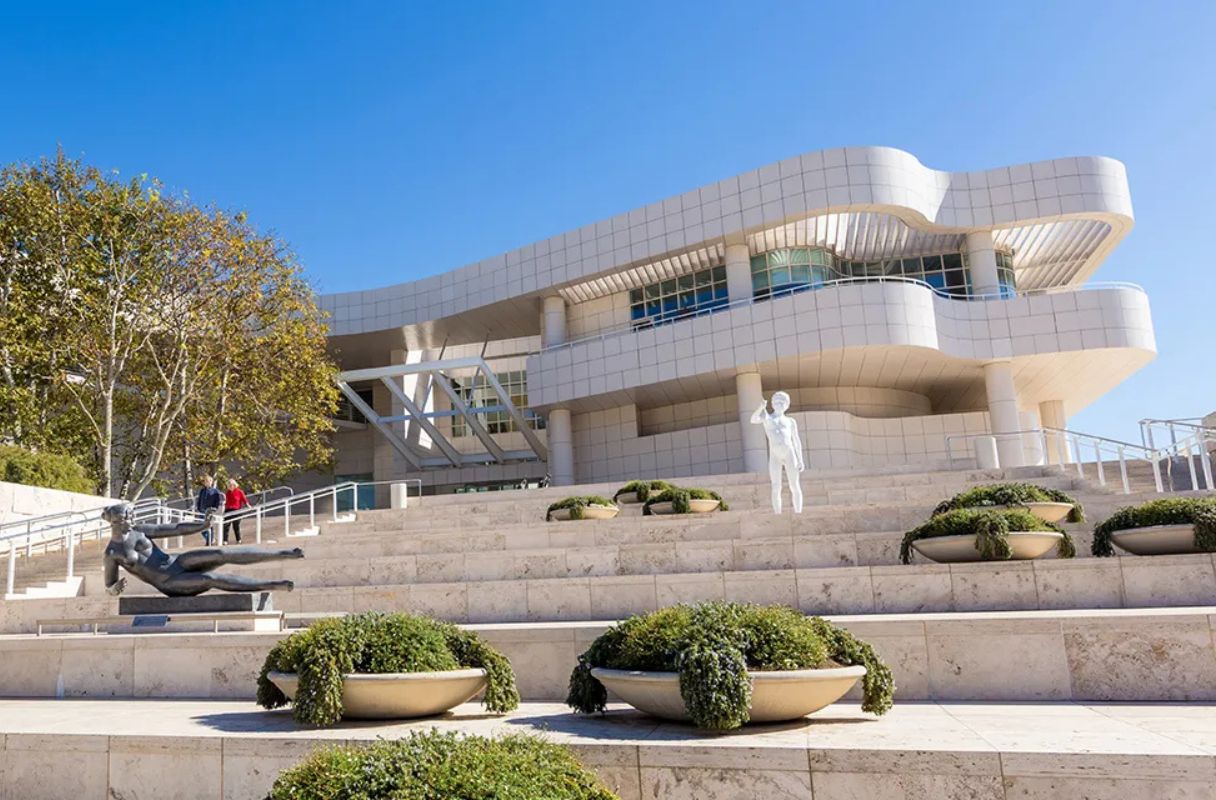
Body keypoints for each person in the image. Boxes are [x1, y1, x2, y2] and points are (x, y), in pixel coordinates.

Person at [101, 503, 300, 597]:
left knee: (220, 554)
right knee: (211, 579)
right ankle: (273, 584)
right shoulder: (112, 553)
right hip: (169, 582)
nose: (132, 520)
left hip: (176, 562)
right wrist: (113, 589)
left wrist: (203, 525)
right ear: (116, 521)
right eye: (129, 517)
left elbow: (174, 528)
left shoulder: (139, 530)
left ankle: (282, 554)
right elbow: (109, 584)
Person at [750, 391, 806, 514]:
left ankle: (798, 513)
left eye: (782, 402)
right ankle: (778, 514)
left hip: (789, 453)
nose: (779, 404)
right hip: (775, 455)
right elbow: (753, 420)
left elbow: (796, 441)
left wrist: (800, 459)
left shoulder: (790, 421)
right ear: (772, 404)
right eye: (776, 401)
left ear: (787, 405)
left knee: (795, 485)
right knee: (776, 486)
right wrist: (761, 408)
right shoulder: (767, 417)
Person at [195, 474, 224, 545]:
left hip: (209, 510)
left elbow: (217, 501)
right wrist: (198, 507)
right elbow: (199, 500)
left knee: (209, 526)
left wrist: (214, 508)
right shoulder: (202, 490)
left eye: (209, 481)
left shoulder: (215, 491)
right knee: (201, 528)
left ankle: (209, 541)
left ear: (211, 482)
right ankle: (211, 539)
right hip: (201, 511)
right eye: (206, 481)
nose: (207, 482)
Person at [224, 478, 250, 544]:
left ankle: (238, 539)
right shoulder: (227, 493)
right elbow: (226, 502)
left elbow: (244, 499)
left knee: (236, 526)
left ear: (234, 485)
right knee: (226, 525)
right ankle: (225, 540)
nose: (230, 486)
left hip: (236, 510)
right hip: (228, 510)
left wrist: (248, 505)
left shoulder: (239, 491)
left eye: (231, 485)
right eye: (229, 485)